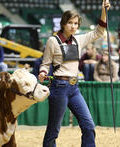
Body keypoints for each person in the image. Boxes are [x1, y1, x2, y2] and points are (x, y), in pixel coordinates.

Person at [38, 1, 111, 146]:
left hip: (74, 88)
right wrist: (42, 72)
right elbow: (45, 63)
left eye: (76, 23)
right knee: (54, 130)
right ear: (64, 23)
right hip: (59, 87)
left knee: (89, 125)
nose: (73, 26)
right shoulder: (53, 41)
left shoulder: (79, 39)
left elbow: (99, 31)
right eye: (70, 22)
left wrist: (103, 11)